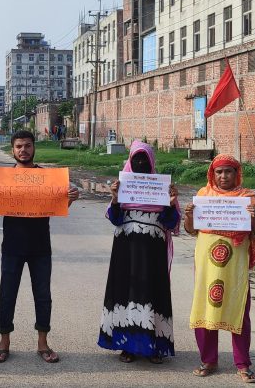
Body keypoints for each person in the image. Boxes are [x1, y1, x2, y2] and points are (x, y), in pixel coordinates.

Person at [0, 130, 79, 364]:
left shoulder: (47, 178)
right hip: (12, 246)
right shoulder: (3, 178)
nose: (23, 150)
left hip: (40, 247)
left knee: (43, 295)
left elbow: (59, 206)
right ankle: (4, 343)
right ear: (13, 150)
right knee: (7, 294)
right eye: (18, 147)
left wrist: (70, 198)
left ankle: (43, 343)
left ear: (34, 148)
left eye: (27, 146)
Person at [182, 154, 255, 384]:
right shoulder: (203, 195)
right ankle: (208, 359)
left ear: (236, 173)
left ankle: (243, 363)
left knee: (238, 310)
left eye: (228, 171)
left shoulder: (248, 198)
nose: (223, 176)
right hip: (207, 265)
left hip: (235, 266)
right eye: (219, 172)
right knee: (205, 308)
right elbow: (191, 230)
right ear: (212, 173)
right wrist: (189, 216)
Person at [99, 141, 180, 364]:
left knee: (152, 293)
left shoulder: (162, 189)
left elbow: (171, 223)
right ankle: (128, 345)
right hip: (125, 249)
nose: (141, 163)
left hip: (153, 251)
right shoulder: (123, 187)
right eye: (137, 159)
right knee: (127, 293)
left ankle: (154, 347)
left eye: (145, 159)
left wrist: (171, 204)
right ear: (130, 162)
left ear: (152, 162)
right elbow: (115, 219)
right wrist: (115, 199)